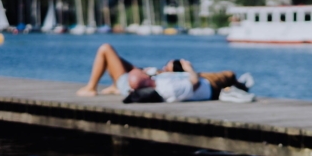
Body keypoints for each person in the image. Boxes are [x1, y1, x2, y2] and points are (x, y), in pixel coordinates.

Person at [75, 43, 254, 102]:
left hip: (125, 84)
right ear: (145, 78)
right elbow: (194, 83)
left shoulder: (155, 83)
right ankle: (91, 87)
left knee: (111, 55)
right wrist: (189, 68)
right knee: (105, 49)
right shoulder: (166, 87)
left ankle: (108, 86)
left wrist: (161, 71)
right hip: (125, 83)